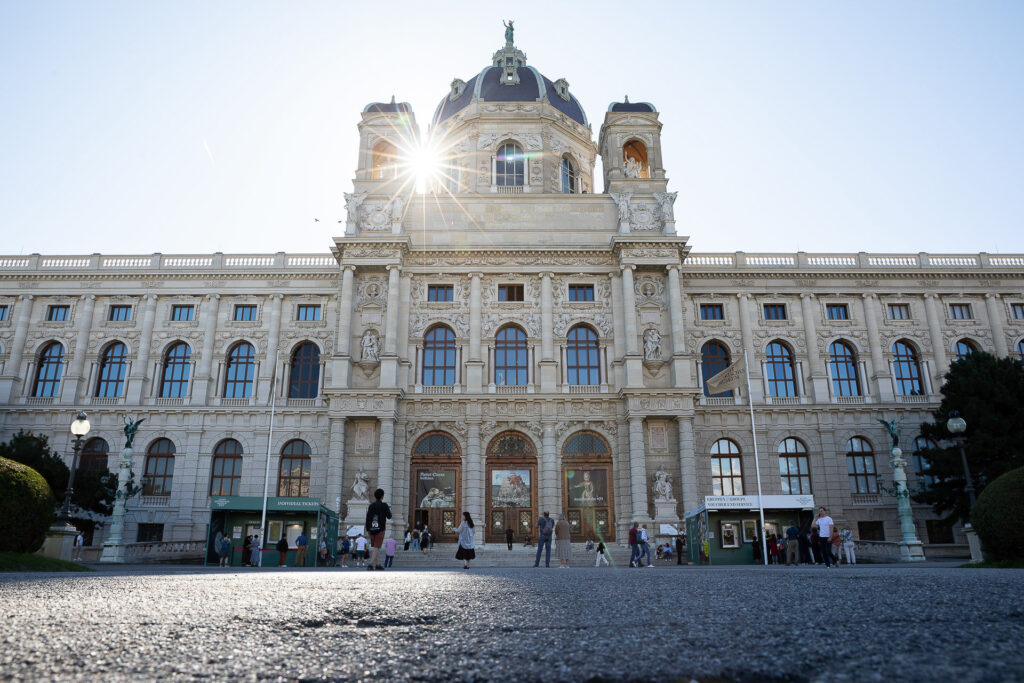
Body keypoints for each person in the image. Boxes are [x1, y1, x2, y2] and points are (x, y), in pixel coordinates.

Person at [365, 488, 393, 571]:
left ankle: (377, 565)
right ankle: (370, 564)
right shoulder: (384, 505)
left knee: (375, 547)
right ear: (382, 496)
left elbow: (368, 517)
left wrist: (367, 529)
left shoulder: (371, 505)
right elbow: (389, 516)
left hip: (371, 528)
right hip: (380, 529)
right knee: (377, 547)